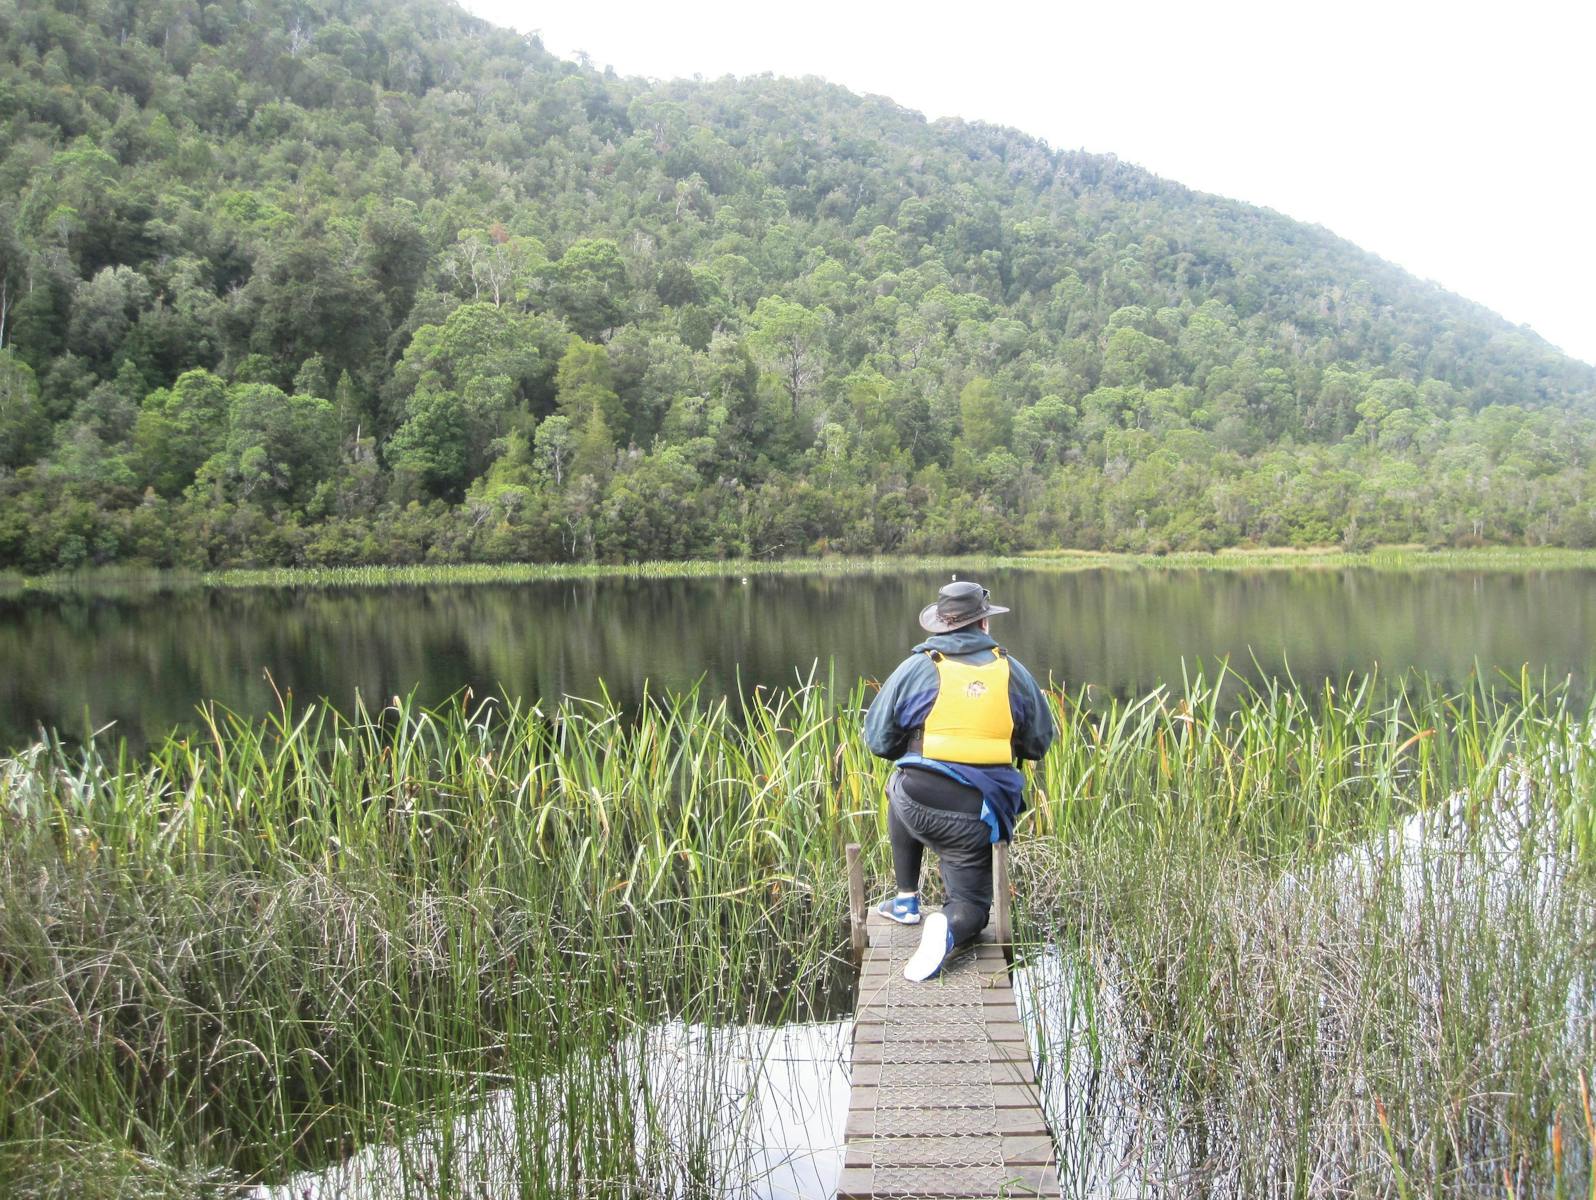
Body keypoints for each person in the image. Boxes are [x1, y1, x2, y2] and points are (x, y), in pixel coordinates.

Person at [863, 580, 1056, 981]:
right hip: (978, 814)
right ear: (984, 624)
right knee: (971, 907)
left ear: (942, 626)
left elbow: (879, 741)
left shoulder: (919, 664)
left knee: (898, 780)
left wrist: (920, 745)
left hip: (917, 800)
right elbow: (1038, 745)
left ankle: (906, 900)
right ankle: (949, 926)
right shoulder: (1011, 671)